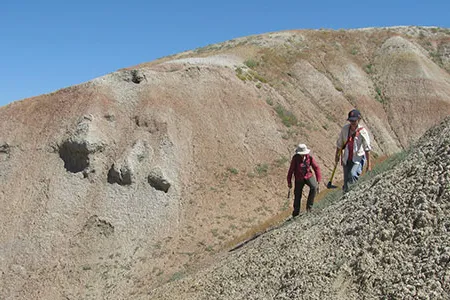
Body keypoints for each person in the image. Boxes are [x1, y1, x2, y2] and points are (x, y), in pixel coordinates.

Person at [335, 109, 372, 193]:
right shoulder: (345, 129)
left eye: (354, 120)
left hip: (358, 158)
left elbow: (367, 148)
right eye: (351, 120)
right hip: (347, 159)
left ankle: (354, 193)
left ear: (359, 120)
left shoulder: (363, 131)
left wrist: (369, 165)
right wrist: (337, 156)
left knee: (353, 174)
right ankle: (346, 196)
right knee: (346, 181)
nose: (352, 122)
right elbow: (339, 144)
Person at [287, 144, 322, 216]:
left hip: (308, 175)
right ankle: (296, 213)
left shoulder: (309, 157)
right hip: (299, 178)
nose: (303, 155)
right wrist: (289, 181)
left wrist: (318, 179)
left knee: (314, 187)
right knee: (297, 194)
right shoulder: (295, 159)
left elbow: (316, 167)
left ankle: (309, 208)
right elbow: (291, 171)